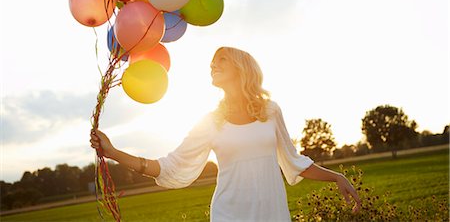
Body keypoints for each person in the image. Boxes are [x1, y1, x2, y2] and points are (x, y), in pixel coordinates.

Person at [90, 46, 361, 221]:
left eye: (221, 60)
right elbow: (168, 166)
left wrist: (336, 177)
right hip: (230, 214)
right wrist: (112, 153)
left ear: (241, 69)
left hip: (272, 214)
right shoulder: (210, 122)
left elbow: (293, 161)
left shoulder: (271, 111)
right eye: (211, 63)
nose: (212, 66)